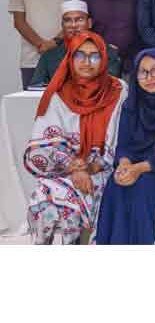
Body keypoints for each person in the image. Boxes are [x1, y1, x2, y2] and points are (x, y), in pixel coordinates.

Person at [23, 31, 127, 244]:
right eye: (80, 55)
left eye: (94, 56)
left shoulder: (118, 90)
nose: (87, 62)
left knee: (73, 200)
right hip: (65, 169)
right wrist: (74, 167)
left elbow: (119, 138)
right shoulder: (58, 93)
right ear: (70, 57)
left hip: (103, 169)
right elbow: (44, 145)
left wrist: (89, 167)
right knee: (42, 196)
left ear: (104, 58)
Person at [94, 49, 155, 244]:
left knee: (144, 188)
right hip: (134, 165)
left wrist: (140, 168)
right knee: (116, 184)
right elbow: (123, 144)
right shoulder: (131, 103)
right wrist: (124, 164)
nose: (150, 78)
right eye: (143, 72)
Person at [31, 0, 122, 86]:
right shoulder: (49, 56)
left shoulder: (108, 53)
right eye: (68, 20)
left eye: (80, 20)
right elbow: (35, 88)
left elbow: (110, 86)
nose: (73, 25)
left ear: (89, 23)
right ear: (62, 25)